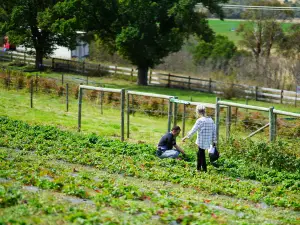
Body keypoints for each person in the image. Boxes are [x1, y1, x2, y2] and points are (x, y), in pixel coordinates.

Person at [182, 104, 216, 172]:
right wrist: (214, 141)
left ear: (197, 111)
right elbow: (214, 131)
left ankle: (203, 169)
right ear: (205, 111)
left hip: (201, 141)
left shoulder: (200, 120)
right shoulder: (211, 120)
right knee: (200, 153)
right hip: (208, 140)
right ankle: (199, 169)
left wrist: (185, 137)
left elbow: (193, 130)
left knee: (201, 154)